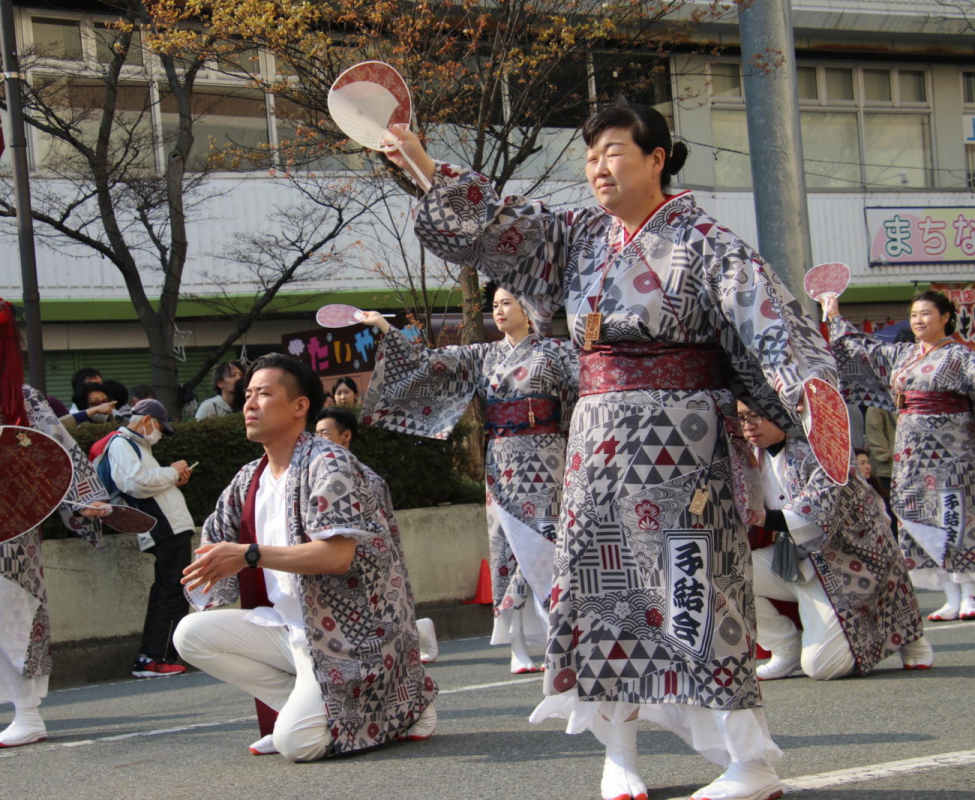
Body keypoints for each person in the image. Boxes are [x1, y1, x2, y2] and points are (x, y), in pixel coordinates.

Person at [381, 100, 838, 800]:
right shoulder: (579, 236)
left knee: (697, 597)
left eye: (615, 151)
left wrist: (807, 388)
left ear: (657, 159)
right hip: (595, 451)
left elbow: (769, 323)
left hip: (682, 450)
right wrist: (417, 157)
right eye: (590, 156)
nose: (598, 166)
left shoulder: (708, 242)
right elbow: (501, 222)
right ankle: (619, 756)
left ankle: (751, 760)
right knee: (598, 603)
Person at [174, 354, 436, 762]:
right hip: (290, 629)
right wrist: (211, 572)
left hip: (352, 637)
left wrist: (249, 555)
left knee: (299, 746)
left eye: (263, 394)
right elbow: (216, 542)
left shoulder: (329, 464)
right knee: (190, 635)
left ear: (300, 407)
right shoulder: (248, 478)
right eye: (247, 395)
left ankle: (400, 702)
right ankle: (309, 710)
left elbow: (336, 557)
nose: (249, 404)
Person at [360, 286, 578, 674]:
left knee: (550, 542)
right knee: (505, 548)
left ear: (527, 308)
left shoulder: (557, 351)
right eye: (493, 305)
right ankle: (517, 647)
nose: (498, 310)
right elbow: (430, 363)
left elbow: (585, 392)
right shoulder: (483, 355)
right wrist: (386, 330)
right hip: (501, 461)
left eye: (506, 302)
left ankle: (558, 637)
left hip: (548, 458)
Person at [0, 297, 110, 750]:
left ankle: (27, 713)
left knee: (12, 611)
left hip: (11, 526)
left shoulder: (23, 400)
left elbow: (59, 457)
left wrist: (83, 502)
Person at [735, 399, 932, 682]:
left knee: (822, 668)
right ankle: (785, 647)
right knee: (728, 570)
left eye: (756, 415)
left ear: (783, 415)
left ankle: (908, 635)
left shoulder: (824, 450)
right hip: (794, 560)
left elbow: (813, 515)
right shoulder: (748, 454)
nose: (748, 426)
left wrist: (753, 515)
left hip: (848, 563)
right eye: (742, 418)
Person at [824, 290, 975, 622]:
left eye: (925, 314)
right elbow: (862, 349)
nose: (918, 320)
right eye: (914, 315)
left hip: (952, 449)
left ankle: (970, 591)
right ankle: (948, 594)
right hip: (909, 449)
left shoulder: (961, 357)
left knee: (954, 514)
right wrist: (834, 315)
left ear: (945, 317)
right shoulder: (904, 354)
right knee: (913, 513)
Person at [315, 408, 439, 665]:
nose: (318, 441)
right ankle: (418, 631)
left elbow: (383, 529)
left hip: (366, 560)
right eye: (315, 435)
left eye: (324, 434)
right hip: (344, 559)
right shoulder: (322, 473)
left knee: (378, 626)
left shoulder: (364, 476)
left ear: (345, 436)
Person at [101, 400, 194, 678]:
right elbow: (136, 483)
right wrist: (172, 471)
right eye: (159, 427)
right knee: (170, 590)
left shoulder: (134, 446)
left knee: (170, 590)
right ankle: (153, 658)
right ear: (146, 421)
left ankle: (157, 657)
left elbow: (141, 481)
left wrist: (171, 478)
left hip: (167, 526)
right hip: (164, 527)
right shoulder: (121, 443)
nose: (159, 434)